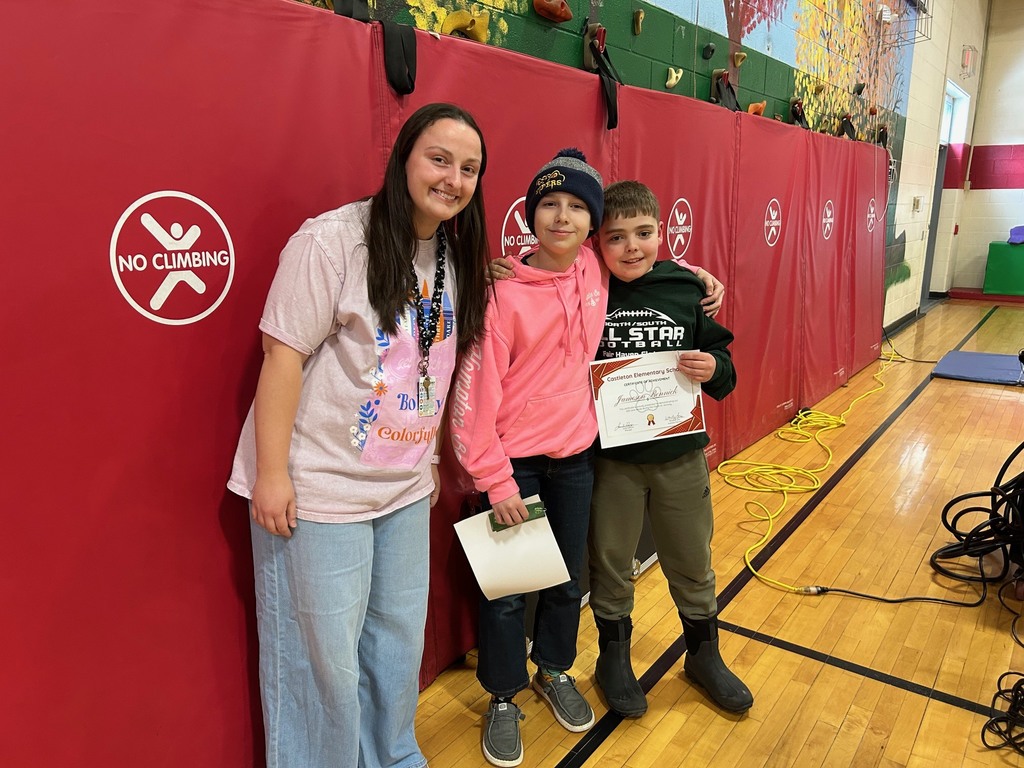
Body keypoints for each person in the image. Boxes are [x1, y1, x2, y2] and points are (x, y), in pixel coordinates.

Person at [226, 102, 491, 768]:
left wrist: (427, 460)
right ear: (403, 156)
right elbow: (281, 353)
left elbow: (424, 365)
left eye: (469, 168)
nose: (454, 179)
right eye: (439, 159)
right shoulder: (334, 240)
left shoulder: (452, 254)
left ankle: (392, 757)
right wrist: (273, 473)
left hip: (400, 490)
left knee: (396, 646)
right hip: (317, 493)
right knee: (323, 667)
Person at [449, 148, 606, 767]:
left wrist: (699, 278)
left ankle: (555, 671)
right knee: (508, 594)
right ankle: (504, 695)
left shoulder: (593, 270)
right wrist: (496, 481)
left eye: (576, 207)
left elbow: (643, 259)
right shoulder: (502, 293)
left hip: (575, 459)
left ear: (591, 223)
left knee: (568, 581)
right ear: (530, 214)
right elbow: (474, 399)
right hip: (514, 465)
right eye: (549, 204)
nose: (562, 217)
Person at [587, 180, 752, 717]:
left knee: (691, 557)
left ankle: (704, 654)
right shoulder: (585, 284)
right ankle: (612, 659)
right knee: (612, 561)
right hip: (612, 459)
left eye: (644, 233)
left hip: (678, 452)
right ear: (595, 243)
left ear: (662, 233)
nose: (632, 246)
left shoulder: (686, 287)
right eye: (616, 237)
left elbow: (723, 359)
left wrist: (714, 367)